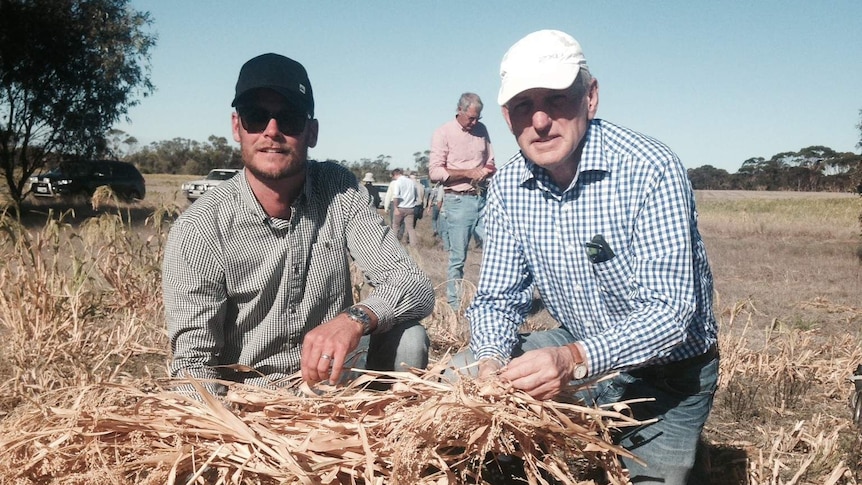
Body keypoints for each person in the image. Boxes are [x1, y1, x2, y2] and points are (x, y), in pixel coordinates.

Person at [458, 30, 719, 484]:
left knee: (651, 478)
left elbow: (672, 314)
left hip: (666, 373)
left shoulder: (649, 169)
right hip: (578, 344)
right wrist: (490, 364)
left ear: (591, 97)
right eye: (523, 106)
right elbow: (498, 298)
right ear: (506, 116)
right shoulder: (506, 187)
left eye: (557, 99)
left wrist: (572, 360)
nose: (540, 121)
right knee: (457, 378)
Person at [162, 53, 435, 396]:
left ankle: (392, 440)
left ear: (312, 132)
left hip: (335, 386)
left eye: (289, 118)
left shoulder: (339, 190)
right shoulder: (200, 227)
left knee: (409, 338)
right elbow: (193, 366)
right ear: (237, 127)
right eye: (256, 117)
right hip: (252, 404)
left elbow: (413, 285)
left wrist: (355, 318)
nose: (272, 132)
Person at [429, 93, 496, 310]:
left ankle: (491, 301)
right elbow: (435, 172)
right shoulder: (443, 132)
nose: (475, 122)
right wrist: (469, 172)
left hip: (483, 199)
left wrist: (484, 172)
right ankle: (454, 305)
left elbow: (491, 162)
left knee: (497, 249)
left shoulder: (482, 131)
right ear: (459, 110)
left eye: (478, 118)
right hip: (458, 200)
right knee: (458, 257)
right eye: (471, 118)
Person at [390, 168, 419, 246]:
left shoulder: (398, 182)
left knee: (395, 226)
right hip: (410, 208)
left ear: (395, 174)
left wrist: (395, 208)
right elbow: (416, 195)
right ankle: (414, 244)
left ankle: (393, 244)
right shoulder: (411, 182)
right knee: (410, 228)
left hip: (400, 207)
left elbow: (396, 196)